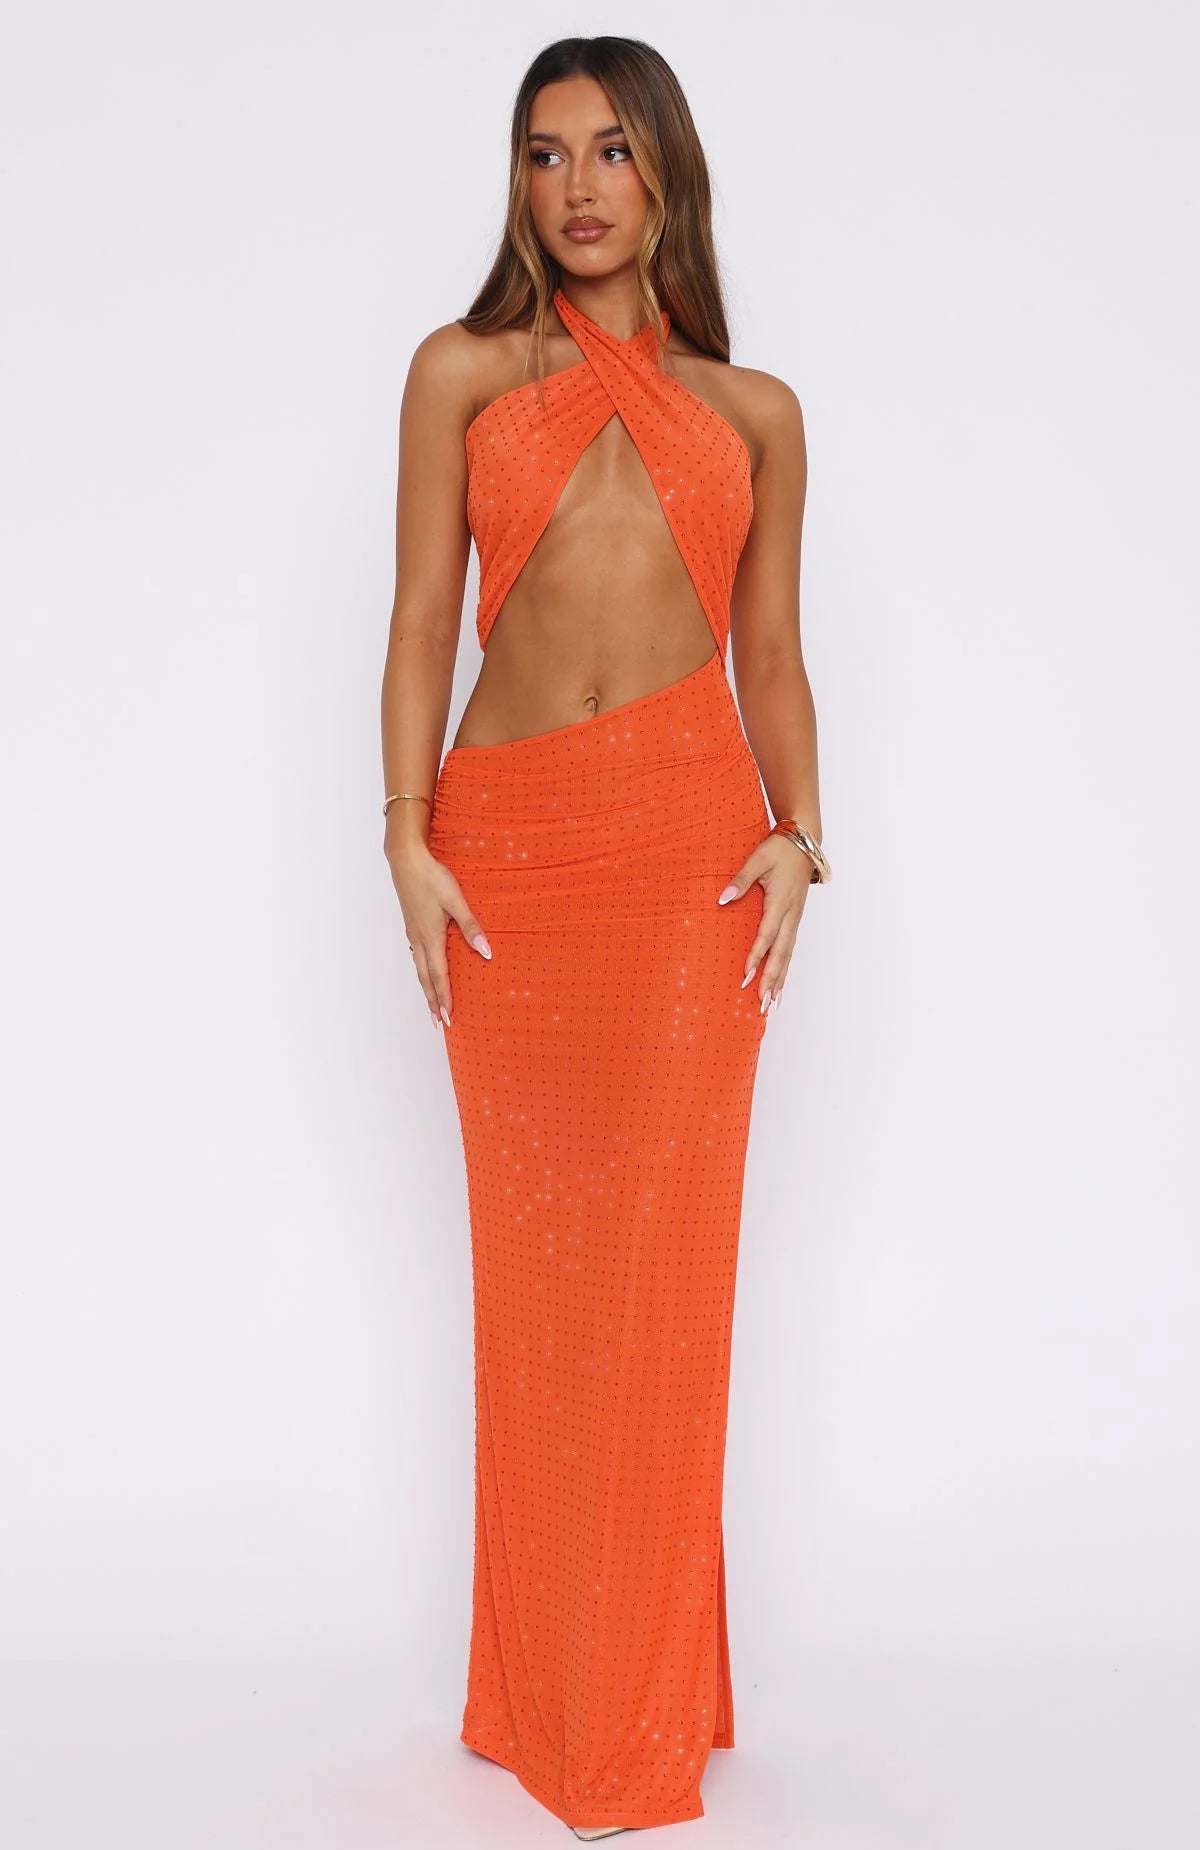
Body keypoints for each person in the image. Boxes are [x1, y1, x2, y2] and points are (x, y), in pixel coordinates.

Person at [380, 35, 828, 1840]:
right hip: (509, 864)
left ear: (667, 176)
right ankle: (534, 1693)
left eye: (613, 151)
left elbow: (771, 650)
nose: (578, 187)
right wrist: (404, 836)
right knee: (537, 1278)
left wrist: (803, 837)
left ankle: (634, 1710)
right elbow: (423, 618)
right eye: (547, 152)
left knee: (660, 1284)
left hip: (689, 866)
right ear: (517, 179)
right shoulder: (461, 371)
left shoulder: (756, 409)